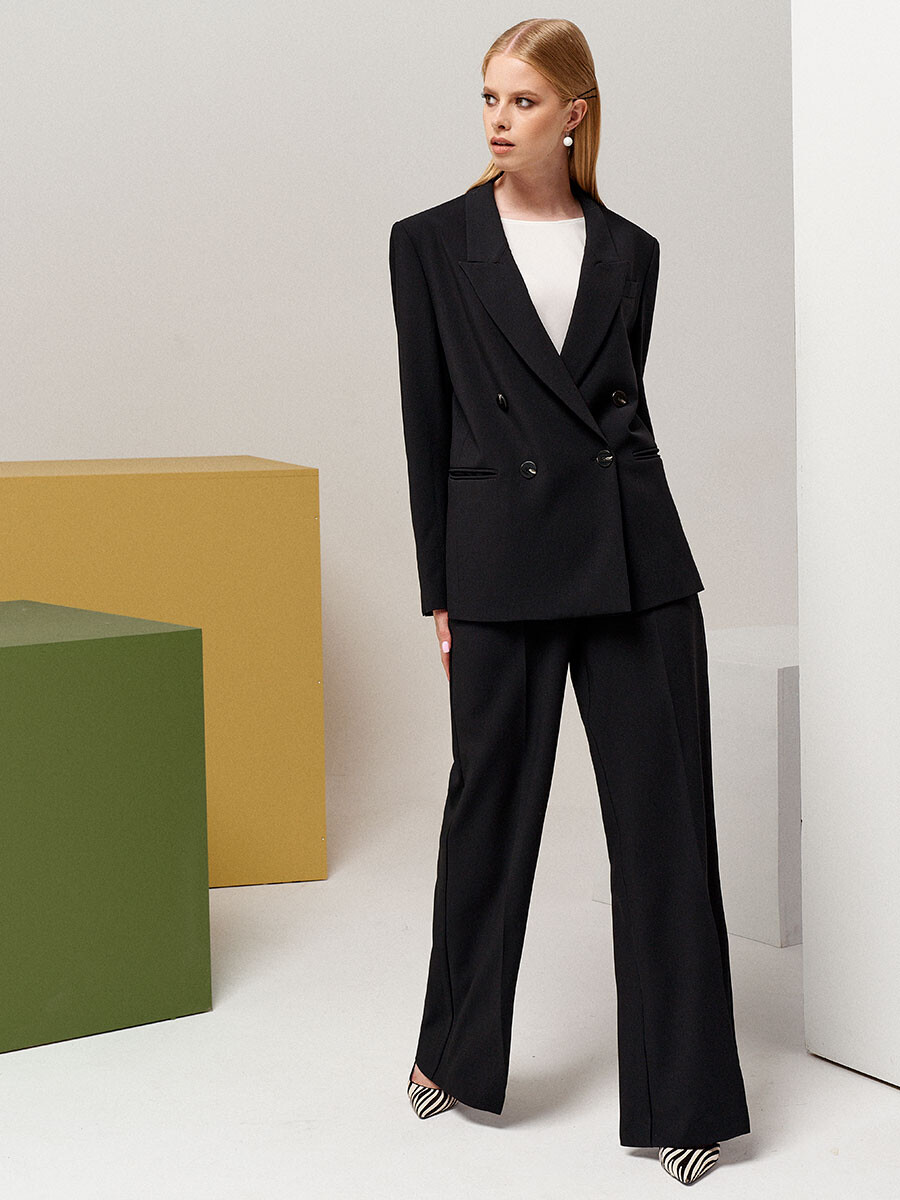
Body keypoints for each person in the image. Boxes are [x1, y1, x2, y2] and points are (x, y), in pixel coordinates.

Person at [388, 18, 751, 1186]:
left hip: (634, 562)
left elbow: (620, 412)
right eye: (489, 98)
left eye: (525, 101)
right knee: (487, 812)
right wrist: (441, 585)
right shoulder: (429, 244)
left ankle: (687, 1097)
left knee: (667, 828)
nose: (499, 120)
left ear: (574, 114)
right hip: (497, 559)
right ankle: (454, 1050)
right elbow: (427, 421)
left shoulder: (632, 250)